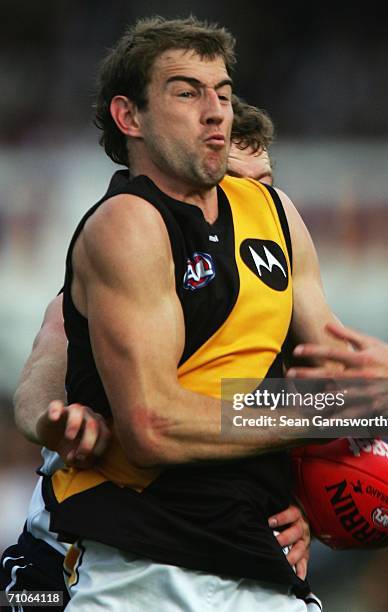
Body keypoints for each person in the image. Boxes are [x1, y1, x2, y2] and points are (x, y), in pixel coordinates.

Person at [4, 15, 388, 611]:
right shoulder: (127, 228)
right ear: (130, 118)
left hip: (256, 560)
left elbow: (342, 384)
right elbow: (113, 402)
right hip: (125, 558)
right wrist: (48, 422)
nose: (215, 112)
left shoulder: (276, 218)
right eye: (188, 93)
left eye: (225, 95)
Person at [0, 97, 311, 611]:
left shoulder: (277, 283)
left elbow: (293, 410)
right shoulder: (134, 257)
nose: (252, 200)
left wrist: (307, 505)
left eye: (266, 184)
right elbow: (47, 360)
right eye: (235, 183)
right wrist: (51, 420)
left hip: (228, 561)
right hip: (84, 554)